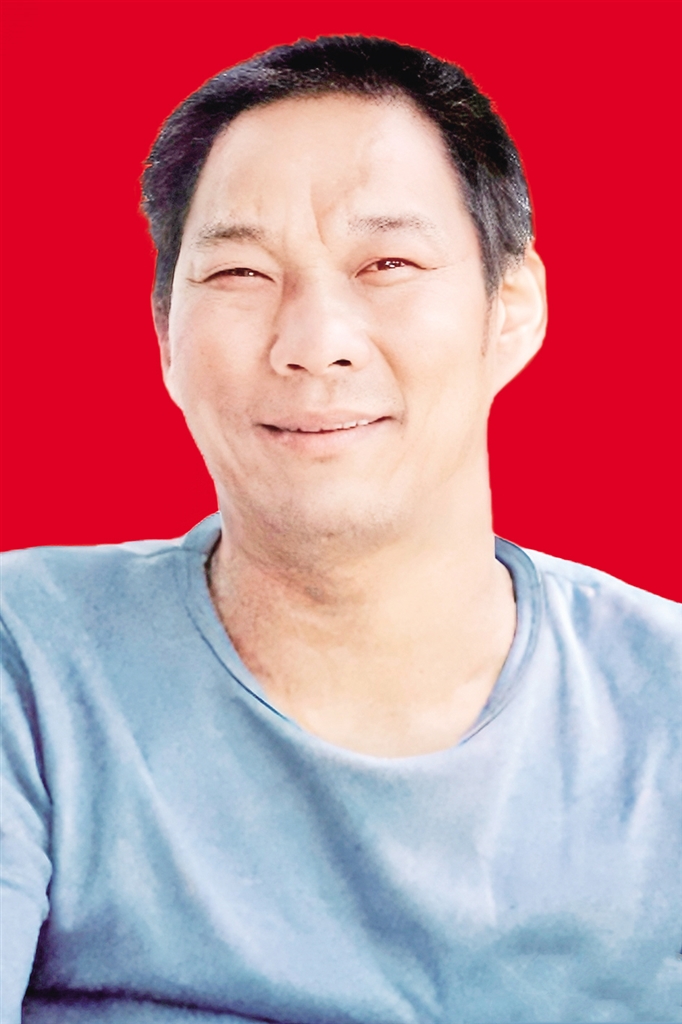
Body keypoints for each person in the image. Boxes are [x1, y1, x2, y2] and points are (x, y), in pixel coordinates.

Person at [1, 34, 679, 1024]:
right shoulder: (30, 661)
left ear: (512, 308)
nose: (315, 343)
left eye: (387, 263)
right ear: (164, 335)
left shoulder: (664, 708)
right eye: (241, 273)